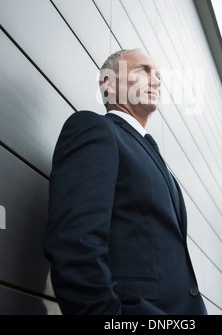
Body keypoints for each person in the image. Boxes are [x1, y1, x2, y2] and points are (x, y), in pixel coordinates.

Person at [43, 48, 207, 315]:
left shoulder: (151, 154)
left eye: (159, 76)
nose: (156, 81)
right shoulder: (95, 130)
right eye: (143, 70)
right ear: (109, 82)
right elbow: (76, 243)